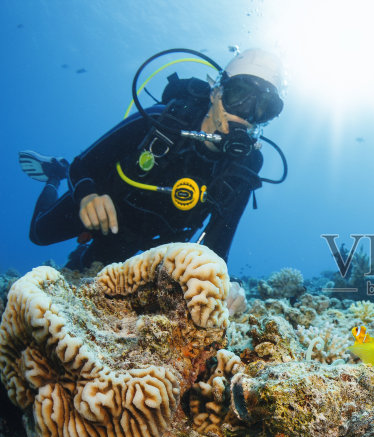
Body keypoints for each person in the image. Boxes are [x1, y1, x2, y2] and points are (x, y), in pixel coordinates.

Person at [20, 47, 286, 270]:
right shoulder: (161, 121)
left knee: (88, 274)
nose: (246, 113)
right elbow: (84, 164)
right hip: (103, 203)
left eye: (263, 107)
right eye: (238, 95)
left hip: (136, 238)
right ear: (216, 92)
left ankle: (83, 255)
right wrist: (87, 194)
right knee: (39, 235)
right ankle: (55, 174)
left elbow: (218, 246)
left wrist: (223, 284)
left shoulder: (244, 168)